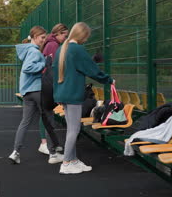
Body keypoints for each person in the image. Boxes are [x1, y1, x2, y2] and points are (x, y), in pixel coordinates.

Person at [53, 22, 115, 174]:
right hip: (73, 94)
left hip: (63, 93)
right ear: (83, 35)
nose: (86, 40)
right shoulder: (77, 49)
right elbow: (92, 70)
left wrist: (57, 94)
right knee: (74, 129)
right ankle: (67, 163)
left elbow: (55, 73)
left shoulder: (62, 48)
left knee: (71, 129)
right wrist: (109, 80)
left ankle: (72, 160)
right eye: (86, 37)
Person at [8, 26, 63, 165]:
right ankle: (53, 154)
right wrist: (44, 63)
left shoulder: (27, 51)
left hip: (27, 92)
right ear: (33, 37)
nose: (44, 40)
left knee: (25, 122)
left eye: (45, 37)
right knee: (49, 121)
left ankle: (16, 152)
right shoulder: (34, 52)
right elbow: (28, 68)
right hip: (38, 91)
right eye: (42, 37)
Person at [37, 23, 69, 155]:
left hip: (45, 83)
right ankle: (49, 147)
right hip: (47, 84)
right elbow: (51, 68)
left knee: (45, 113)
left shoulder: (51, 43)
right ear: (58, 33)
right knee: (46, 114)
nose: (65, 38)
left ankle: (48, 144)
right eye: (64, 36)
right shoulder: (53, 45)